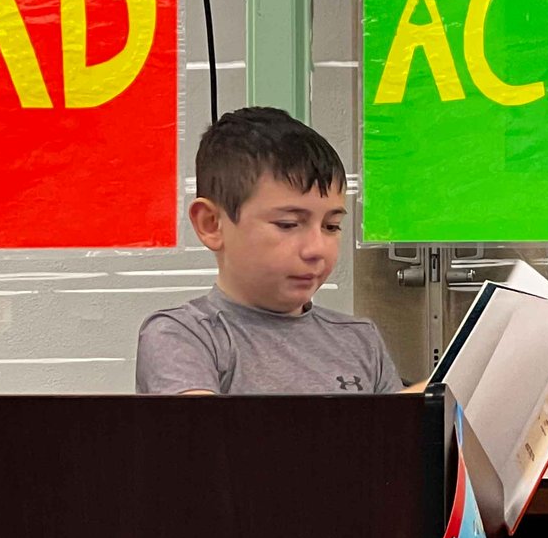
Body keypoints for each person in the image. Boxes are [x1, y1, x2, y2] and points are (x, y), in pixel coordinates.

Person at [135, 106, 405, 395]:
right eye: (288, 224)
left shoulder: (360, 340)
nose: (316, 249)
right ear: (211, 224)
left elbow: (398, 438)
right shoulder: (184, 335)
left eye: (331, 226)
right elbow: (207, 438)